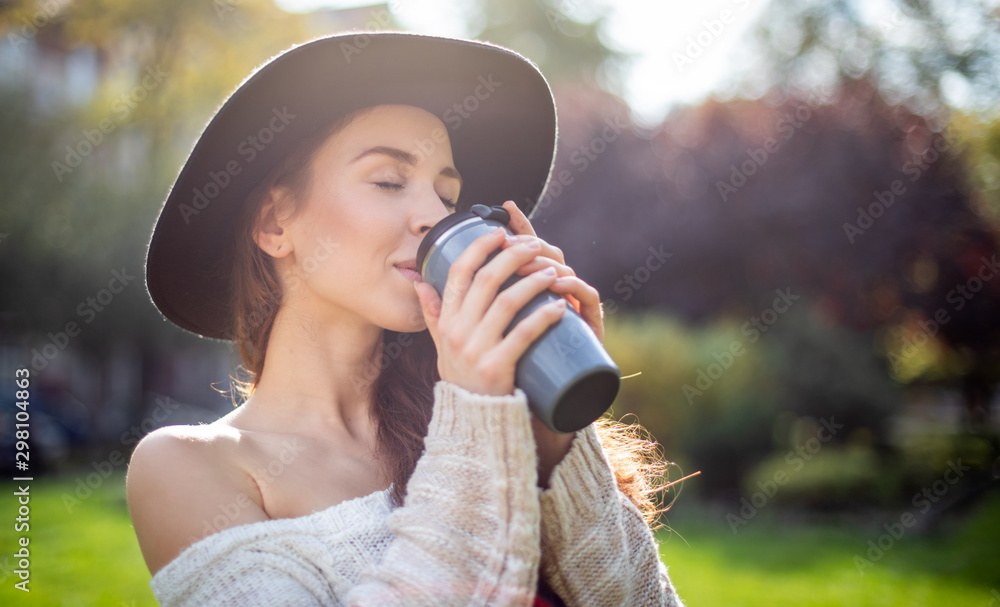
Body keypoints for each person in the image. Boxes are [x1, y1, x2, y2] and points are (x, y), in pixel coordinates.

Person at [127, 32, 686, 606]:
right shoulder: (190, 467)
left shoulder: (494, 417)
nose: (432, 218)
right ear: (275, 224)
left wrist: (553, 438)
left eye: (449, 197)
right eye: (389, 181)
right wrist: (476, 415)